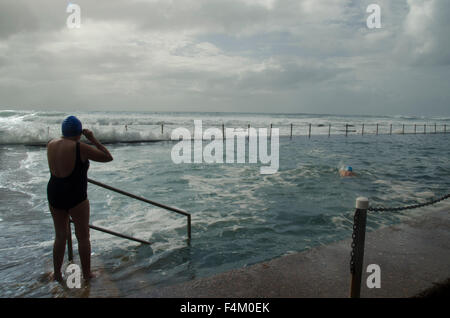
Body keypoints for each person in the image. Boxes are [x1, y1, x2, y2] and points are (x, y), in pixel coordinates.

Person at [47, 116, 113, 282]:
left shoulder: (51, 144)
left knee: (60, 236)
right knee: (83, 237)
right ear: (79, 132)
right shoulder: (80, 147)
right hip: (75, 195)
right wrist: (92, 139)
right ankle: (87, 274)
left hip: (54, 192)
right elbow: (107, 157)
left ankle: (57, 274)